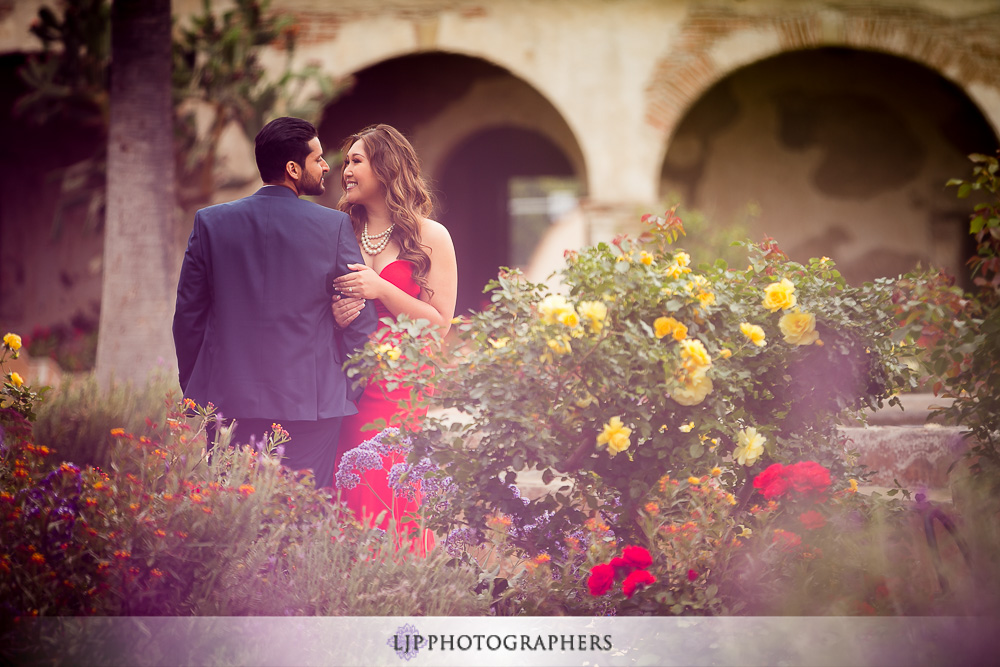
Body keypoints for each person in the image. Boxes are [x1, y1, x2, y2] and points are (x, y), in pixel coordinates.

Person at [172, 116, 377, 488]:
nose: (327, 166)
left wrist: (201, 391)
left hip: (227, 402)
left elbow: (188, 319)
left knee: (232, 516)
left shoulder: (210, 223)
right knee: (303, 521)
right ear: (293, 169)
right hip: (312, 409)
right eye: (318, 159)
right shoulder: (333, 228)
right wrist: (344, 392)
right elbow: (363, 320)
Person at [330, 124, 457, 548]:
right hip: (342, 375)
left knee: (387, 478)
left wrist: (381, 289)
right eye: (346, 161)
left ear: (385, 169)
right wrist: (336, 314)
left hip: (400, 381)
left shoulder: (431, 237)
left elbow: (440, 325)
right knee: (345, 478)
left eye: (356, 161)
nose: (345, 170)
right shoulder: (337, 232)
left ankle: (398, 579)